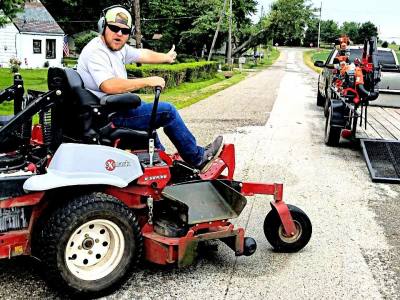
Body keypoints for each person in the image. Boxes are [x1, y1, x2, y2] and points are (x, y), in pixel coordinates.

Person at [77, 5, 223, 172]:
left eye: (124, 31)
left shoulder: (118, 49)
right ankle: (198, 158)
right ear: (103, 27)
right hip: (109, 116)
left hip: (113, 109)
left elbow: (142, 54)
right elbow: (108, 85)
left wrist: (166, 58)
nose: (119, 34)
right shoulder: (96, 52)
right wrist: (147, 81)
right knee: (167, 111)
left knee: (149, 118)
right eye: (114, 28)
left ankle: (162, 164)